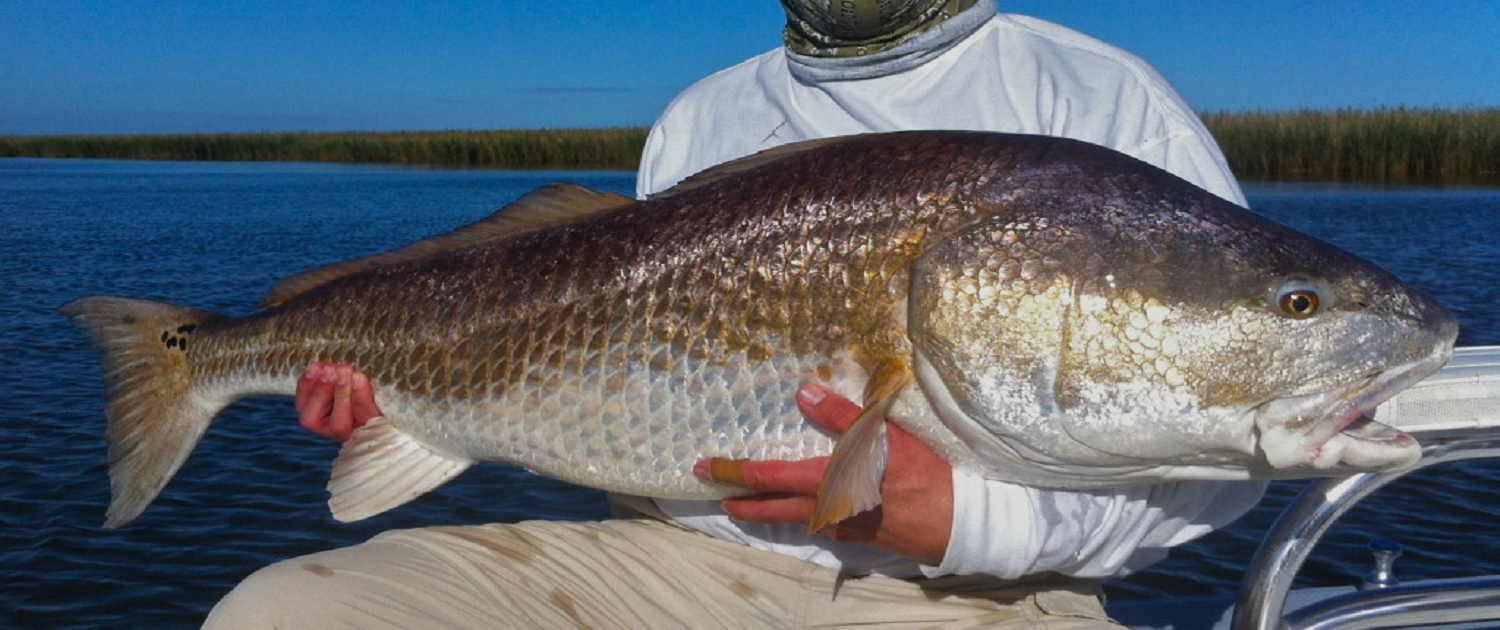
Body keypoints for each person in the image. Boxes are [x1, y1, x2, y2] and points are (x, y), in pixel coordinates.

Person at [205, 2, 1263, 627]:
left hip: (985, 598)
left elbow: (1222, 469)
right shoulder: (702, 116)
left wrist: (975, 522)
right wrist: (411, 400)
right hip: (675, 568)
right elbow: (604, 360)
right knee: (280, 614)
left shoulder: (1096, 97)